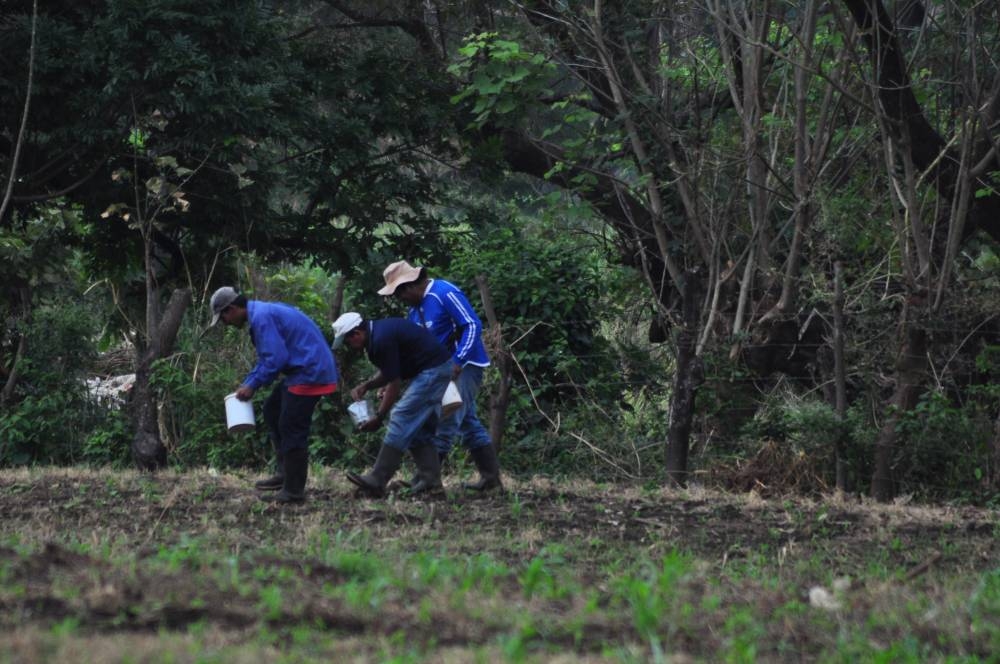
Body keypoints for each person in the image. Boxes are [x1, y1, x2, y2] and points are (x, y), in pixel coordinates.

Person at [377, 260, 502, 491]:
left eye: (398, 294)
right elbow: (416, 351)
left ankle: (426, 480)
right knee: (467, 421)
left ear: (409, 286)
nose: (399, 299)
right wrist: (392, 379)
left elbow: (472, 325)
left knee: (446, 418)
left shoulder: (444, 293)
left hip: (465, 365)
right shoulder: (414, 311)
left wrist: (458, 360)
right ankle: (491, 479)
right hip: (441, 369)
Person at [209, 286, 338, 503]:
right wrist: (250, 381)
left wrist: (253, 384)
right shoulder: (261, 312)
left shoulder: (261, 318)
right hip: (305, 368)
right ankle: (284, 474)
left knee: (291, 426)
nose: (225, 323)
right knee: (272, 410)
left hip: (310, 372)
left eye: (223, 318)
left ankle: (294, 491)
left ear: (231, 309)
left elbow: (275, 359)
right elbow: (271, 358)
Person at [331, 312, 453, 497]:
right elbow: (390, 373)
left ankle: (378, 478)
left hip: (433, 371)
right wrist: (368, 385)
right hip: (433, 369)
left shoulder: (380, 340)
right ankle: (431, 484)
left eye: (348, 341)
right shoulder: (378, 333)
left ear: (356, 333)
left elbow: (394, 384)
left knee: (401, 415)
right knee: (418, 430)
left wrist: (379, 417)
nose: (350, 346)